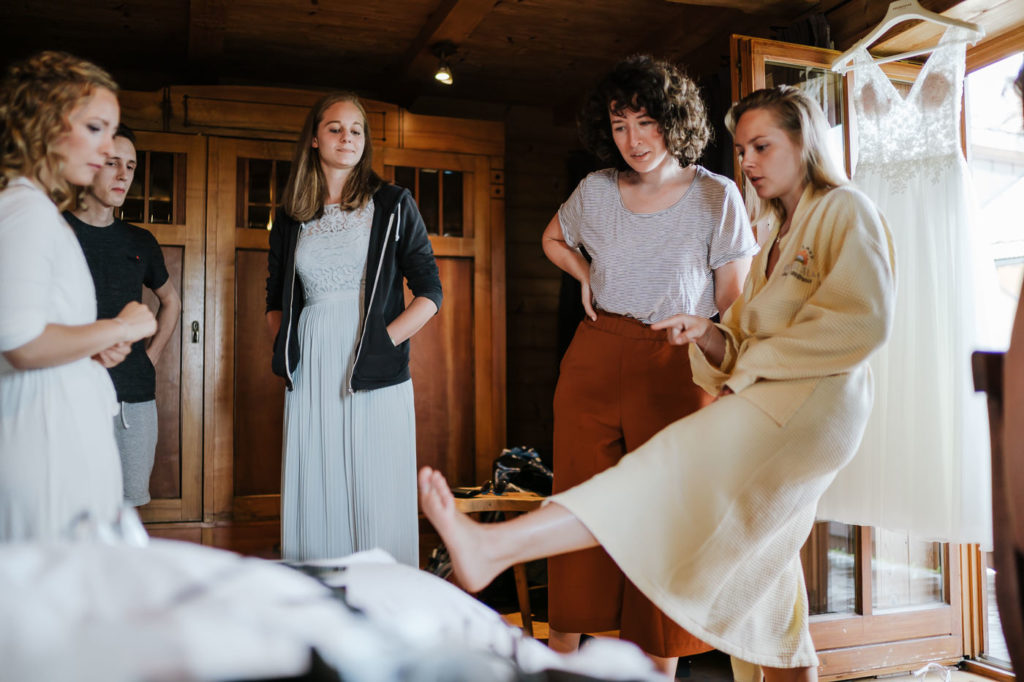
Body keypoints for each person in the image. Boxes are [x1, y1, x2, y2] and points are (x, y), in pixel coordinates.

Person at [419, 84, 895, 682]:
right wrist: (704, 331)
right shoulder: (778, 228)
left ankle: (498, 549)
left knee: (665, 479)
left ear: (804, 143)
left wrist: (736, 373)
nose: (746, 161)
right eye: (743, 148)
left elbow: (864, 320)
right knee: (764, 561)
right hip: (751, 389)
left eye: (762, 146)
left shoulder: (840, 208)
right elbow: (743, 332)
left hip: (808, 403)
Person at [540, 54, 757, 674]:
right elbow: (552, 237)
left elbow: (733, 306)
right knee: (579, 501)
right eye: (619, 125)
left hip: (677, 363)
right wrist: (583, 273)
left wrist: (722, 356)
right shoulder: (595, 191)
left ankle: (659, 665)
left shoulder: (718, 196)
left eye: (646, 122)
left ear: (674, 120)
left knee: (668, 513)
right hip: (594, 353)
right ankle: (558, 659)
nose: (633, 140)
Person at [266, 92, 442, 565]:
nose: (347, 138)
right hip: (312, 365)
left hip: (372, 362)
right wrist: (290, 346)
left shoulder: (392, 204)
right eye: (335, 128)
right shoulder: (290, 215)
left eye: (356, 130)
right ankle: (321, 603)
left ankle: (386, 605)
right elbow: (274, 298)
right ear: (313, 139)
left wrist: (383, 342)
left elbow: (430, 292)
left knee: (374, 481)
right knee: (319, 480)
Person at [0, 51, 157, 541]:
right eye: (96, 127)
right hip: (41, 431)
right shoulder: (25, 211)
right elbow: (19, 343)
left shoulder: (34, 209)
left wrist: (92, 345)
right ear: (46, 123)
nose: (108, 146)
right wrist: (121, 327)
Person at [65, 124, 181, 507]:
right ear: (90, 164)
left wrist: (151, 357)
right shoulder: (57, 231)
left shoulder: (140, 241)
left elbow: (172, 302)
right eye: (112, 163)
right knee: (71, 509)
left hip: (133, 400)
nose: (123, 175)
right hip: (70, 395)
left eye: (130, 166)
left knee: (126, 510)